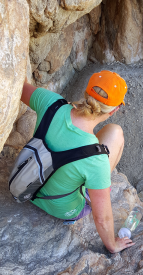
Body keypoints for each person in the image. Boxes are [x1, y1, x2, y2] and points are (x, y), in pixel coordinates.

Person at [21, 70, 134, 253]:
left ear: (86, 92)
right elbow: (102, 219)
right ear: (115, 110)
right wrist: (113, 245)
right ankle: (92, 191)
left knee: (113, 131)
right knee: (116, 135)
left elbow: (18, 88)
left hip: (30, 182)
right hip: (62, 207)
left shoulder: (51, 103)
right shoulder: (95, 159)